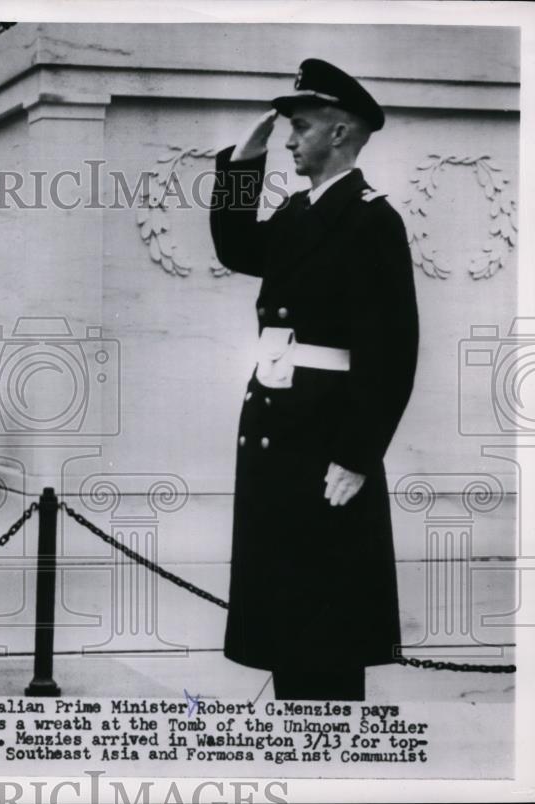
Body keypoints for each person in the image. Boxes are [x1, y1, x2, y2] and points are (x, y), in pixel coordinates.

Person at [209, 59, 419, 700]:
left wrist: (357, 456)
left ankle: (328, 754)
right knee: (287, 608)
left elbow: (392, 352)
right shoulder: (302, 212)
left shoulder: (369, 218)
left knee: (324, 616)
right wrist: (244, 163)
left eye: (299, 127)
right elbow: (236, 248)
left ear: (339, 130)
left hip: (325, 439)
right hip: (279, 431)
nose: (290, 139)